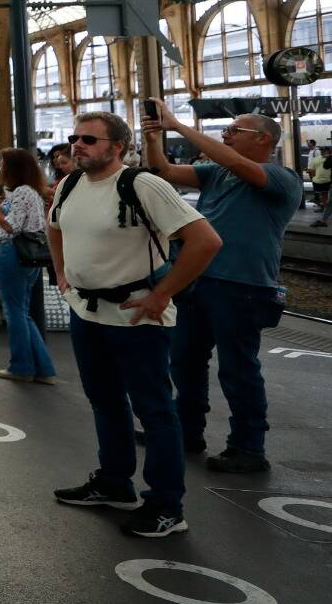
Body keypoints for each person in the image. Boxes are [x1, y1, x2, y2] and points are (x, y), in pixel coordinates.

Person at [48, 111, 220, 538]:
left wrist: (163, 294)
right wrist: (62, 272)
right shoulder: (69, 184)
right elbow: (56, 228)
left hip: (137, 317)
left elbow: (206, 241)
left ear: (117, 147)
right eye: (75, 138)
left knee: (155, 410)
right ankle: (113, 482)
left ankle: (166, 505)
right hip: (87, 312)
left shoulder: (143, 186)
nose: (78, 145)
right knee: (105, 400)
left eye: (89, 139)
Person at [145, 102, 299, 474]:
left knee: (237, 368)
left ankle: (248, 447)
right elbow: (163, 170)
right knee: (184, 361)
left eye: (235, 130)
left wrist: (179, 126)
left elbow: (237, 164)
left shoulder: (282, 179)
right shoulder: (216, 173)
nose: (226, 134)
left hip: (242, 288)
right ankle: (187, 430)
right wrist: (154, 138)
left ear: (263, 139)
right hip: (199, 281)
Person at [0, 147, 57, 383]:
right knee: (23, 313)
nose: (0, 169)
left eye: (2, 164)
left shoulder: (21, 192)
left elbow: (12, 226)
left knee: (15, 312)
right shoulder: (32, 192)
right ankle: (43, 368)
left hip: (12, 253)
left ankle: (20, 365)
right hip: (28, 256)